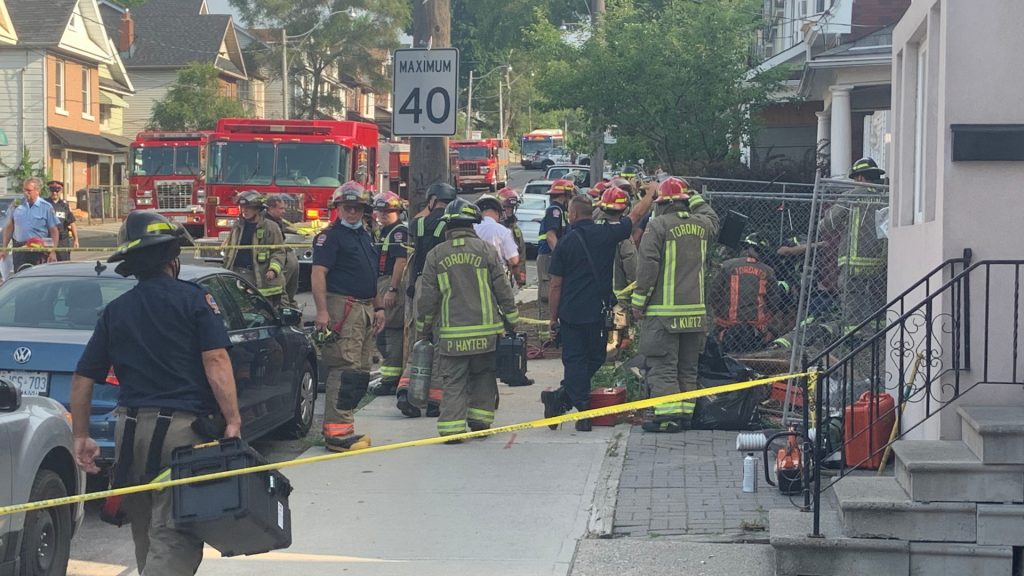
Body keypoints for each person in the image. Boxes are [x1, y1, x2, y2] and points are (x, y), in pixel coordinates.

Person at [70, 211, 241, 576]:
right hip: (182, 435)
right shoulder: (195, 300)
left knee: (145, 531)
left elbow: (83, 377)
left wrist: (81, 435)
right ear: (172, 259)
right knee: (175, 533)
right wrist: (233, 420)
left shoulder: (116, 312)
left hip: (129, 435)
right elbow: (215, 360)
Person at [543, 186, 656, 431]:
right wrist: (651, 195)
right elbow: (635, 216)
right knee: (592, 359)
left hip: (572, 314)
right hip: (598, 312)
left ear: (572, 215)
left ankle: (560, 398)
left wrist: (553, 319)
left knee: (579, 362)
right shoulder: (607, 233)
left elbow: (555, 285)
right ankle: (583, 412)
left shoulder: (564, 244)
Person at [416, 198, 519, 441]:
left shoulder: (436, 255)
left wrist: (423, 328)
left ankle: (452, 430)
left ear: (448, 226)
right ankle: (480, 422)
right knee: (484, 377)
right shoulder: (486, 251)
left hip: (452, 337)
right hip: (486, 335)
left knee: (454, 382)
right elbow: (502, 289)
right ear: (473, 224)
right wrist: (512, 320)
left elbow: (427, 298)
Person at [632, 177, 720, 433]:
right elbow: (712, 216)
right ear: (684, 201)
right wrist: (691, 192)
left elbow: (647, 268)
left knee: (663, 367)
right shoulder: (703, 226)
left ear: (661, 204)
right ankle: (685, 417)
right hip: (695, 316)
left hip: (663, 316)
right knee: (687, 368)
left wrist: (638, 304)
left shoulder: (657, 227)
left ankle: (668, 419)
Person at [311, 181, 382, 452]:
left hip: (364, 307)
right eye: (347, 208)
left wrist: (379, 308)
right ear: (338, 208)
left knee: (359, 371)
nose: (352, 213)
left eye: (357, 208)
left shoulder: (363, 235)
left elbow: (371, 274)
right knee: (344, 368)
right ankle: (336, 433)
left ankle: (346, 426)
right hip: (344, 307)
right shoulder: (330, 238)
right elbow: (318, 274)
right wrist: (322, 311)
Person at [398, 182, 458, 418]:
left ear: (432, 200)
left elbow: (412, 255)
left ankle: (405, 391)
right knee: (440, 341)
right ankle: (435, 401)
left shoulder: (418, 223)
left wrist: (412, 286)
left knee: (419, 339)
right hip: (444, 284)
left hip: (421, 282)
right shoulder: (452, 223)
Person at [819, 157, 888, 332]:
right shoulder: (885, 197)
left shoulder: (851, 196)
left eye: (855, 179)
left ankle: (852, 337)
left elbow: (830, 224)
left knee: (851, 302)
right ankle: (875, 334)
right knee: (874, 301)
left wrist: (825, 217)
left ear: (861, 178)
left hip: (853, 260)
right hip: (879, 262)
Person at [711, 233, 786, 353]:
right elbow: (774, 303)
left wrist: (720, 314)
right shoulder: (768, 271)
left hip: (726, 328)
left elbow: (713, 294)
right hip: (756, 330)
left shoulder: (726, 266)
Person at [371, 191, 408, 397]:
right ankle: (389, 375)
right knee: (381, 332)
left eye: (388, 212)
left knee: (391, 330)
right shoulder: (383, 231)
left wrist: (393, 289)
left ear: (398, 212)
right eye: (380, 211)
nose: (383, 215)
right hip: (381, 282)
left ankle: (391, 380)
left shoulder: (398, 232)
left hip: (391, 284)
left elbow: (400, 262)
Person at [222, 191, 286, 305]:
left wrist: (273, 270)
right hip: (237, 273)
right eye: (242, 207)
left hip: (260, 276)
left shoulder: (271, 227)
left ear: (258, 209)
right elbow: (230, 250)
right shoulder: (237, 226)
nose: (244, 210)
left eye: (248, 208)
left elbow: (279, 252)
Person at [1, 177, 60, 271]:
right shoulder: (17, 204)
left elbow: (54, 231)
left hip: (39, 249)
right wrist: (4, 248)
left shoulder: (46, 207)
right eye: (24, 190)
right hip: (20, 249)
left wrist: (53, 251)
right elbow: (9, 227)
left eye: (29, 190)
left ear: (37, 191)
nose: (25, 193)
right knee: (20, 277)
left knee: (37, 279)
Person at [537, 178, 574, 320]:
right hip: (549, 256)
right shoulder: (555, 211)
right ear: (565, 195)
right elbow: (551, 236)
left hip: (552, 256)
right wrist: (561, 256)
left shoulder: (561, 212)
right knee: (547, 294)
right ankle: (547, 337)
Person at [474, 194, 525, 288]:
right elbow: (513, 260)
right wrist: (519, 277)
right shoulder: (503, 231)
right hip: (498, 278)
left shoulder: (471, 228)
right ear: (497, 212)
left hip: (474, 277)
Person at [264, 194, 301, 308]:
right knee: (282, 292)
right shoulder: (267, 224)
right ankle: (286, 310)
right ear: (270, 208)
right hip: (277, 264)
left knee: (290, 291)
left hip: (286, 258)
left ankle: (292, 308)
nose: (284, 211)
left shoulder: (277, 221)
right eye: (281, 208)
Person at [497, 187, 527, 274]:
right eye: (506, 208)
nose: (509, 211)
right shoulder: (495, 228)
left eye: (511, 208)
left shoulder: (516, 229)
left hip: (510, 274)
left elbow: (521, 253)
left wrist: (521, 274)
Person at [47, 180, 78, 261]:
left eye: (57, 191)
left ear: (60, 191)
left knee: (63, 264)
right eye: (52, 190)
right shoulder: (45, 204)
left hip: (62, 241)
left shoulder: (65, 206)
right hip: (48, 240)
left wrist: (76, 239)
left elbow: (72, 222)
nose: (54, 193)